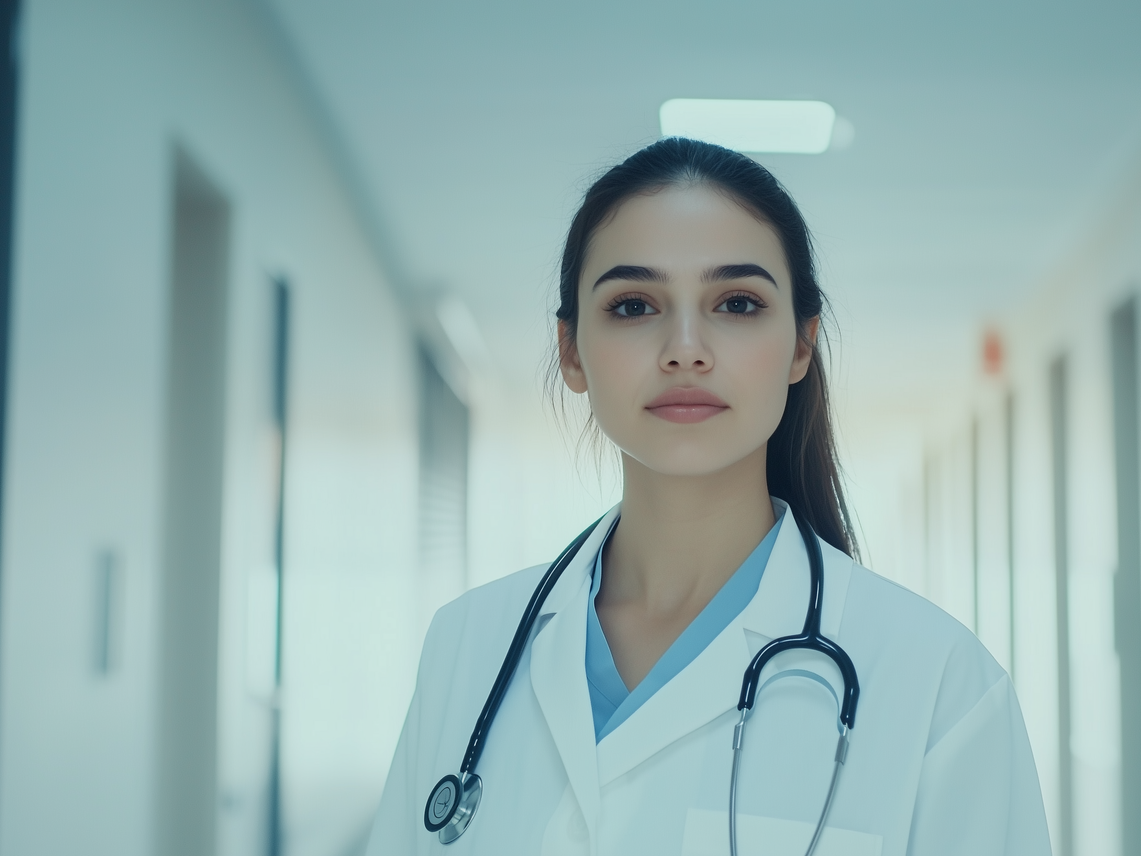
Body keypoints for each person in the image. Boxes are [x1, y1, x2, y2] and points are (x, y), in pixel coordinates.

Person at [365, 138, 1050, 855]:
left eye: (737, 302)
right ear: (571, 350)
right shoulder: (467, 645)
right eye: (633, 305)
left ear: (800, 345)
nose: (685, 347)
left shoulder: (939, 685)